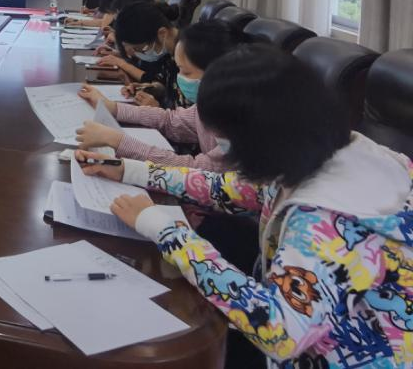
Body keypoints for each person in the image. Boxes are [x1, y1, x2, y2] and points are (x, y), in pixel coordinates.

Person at [76, 45, 413, 367]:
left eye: (225, 139)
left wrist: (165, 230)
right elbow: (230, 189)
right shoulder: (330, 152)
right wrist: (131, 170)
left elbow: (279, 331)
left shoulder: (326, 216)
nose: (222, 148)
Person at [75, 21, 236, 170]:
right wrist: (113, 107)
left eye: (186, 72)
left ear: (219, 73)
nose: (180, 78)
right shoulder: (209, 105)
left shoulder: (236, 126)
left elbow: (196, 170)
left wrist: (118, 141)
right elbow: (170, 121)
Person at [99, 1, 181, 104]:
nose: (137, 54)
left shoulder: (190, 54)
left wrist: (157, 109)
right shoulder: (169, 54)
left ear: (162, 34)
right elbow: (165, 83)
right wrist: (148, 88)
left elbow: (189, 108)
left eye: (141, 49)